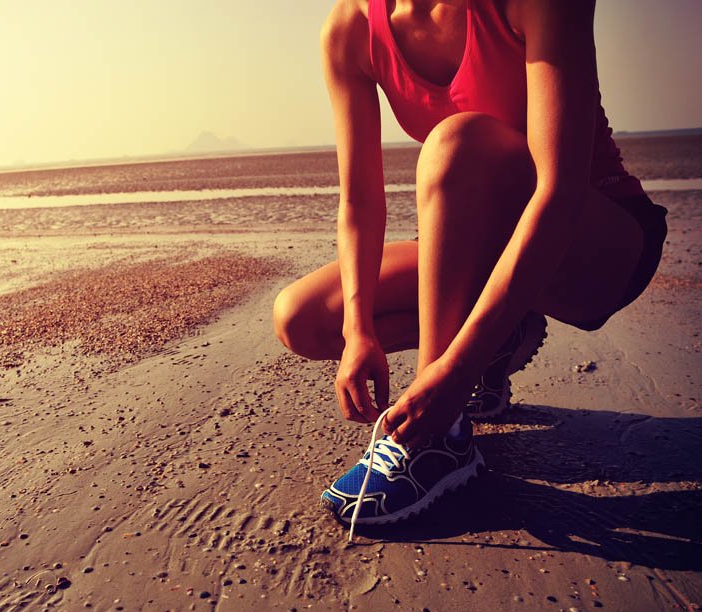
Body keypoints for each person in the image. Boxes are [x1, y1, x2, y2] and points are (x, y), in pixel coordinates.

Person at [272, 0, 667, 533]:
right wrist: (358, 329)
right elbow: (360, 200)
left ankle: (439, 442)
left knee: (455, 143)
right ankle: (506, 337)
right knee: (303, 317)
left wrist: (453, 374)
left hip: (597, 242)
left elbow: (559, 193)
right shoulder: (350, 28)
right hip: (479, 246)